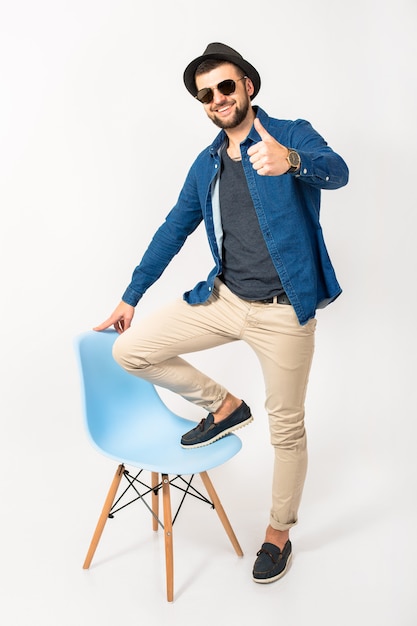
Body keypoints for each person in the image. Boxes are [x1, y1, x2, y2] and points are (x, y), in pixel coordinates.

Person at [94, 42, 349, 584]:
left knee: (287, 428)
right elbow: (173, 229)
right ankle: (225, 404)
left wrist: (293, 161)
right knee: (130, 349)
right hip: (225, 299)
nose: (218, 100)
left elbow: (338, 170)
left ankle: (278, 533)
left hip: (284, 313)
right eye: (206, 95)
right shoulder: (206, 163)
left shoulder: (290, 133)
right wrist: (130, 296)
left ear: (248, 87)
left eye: (226, 87)